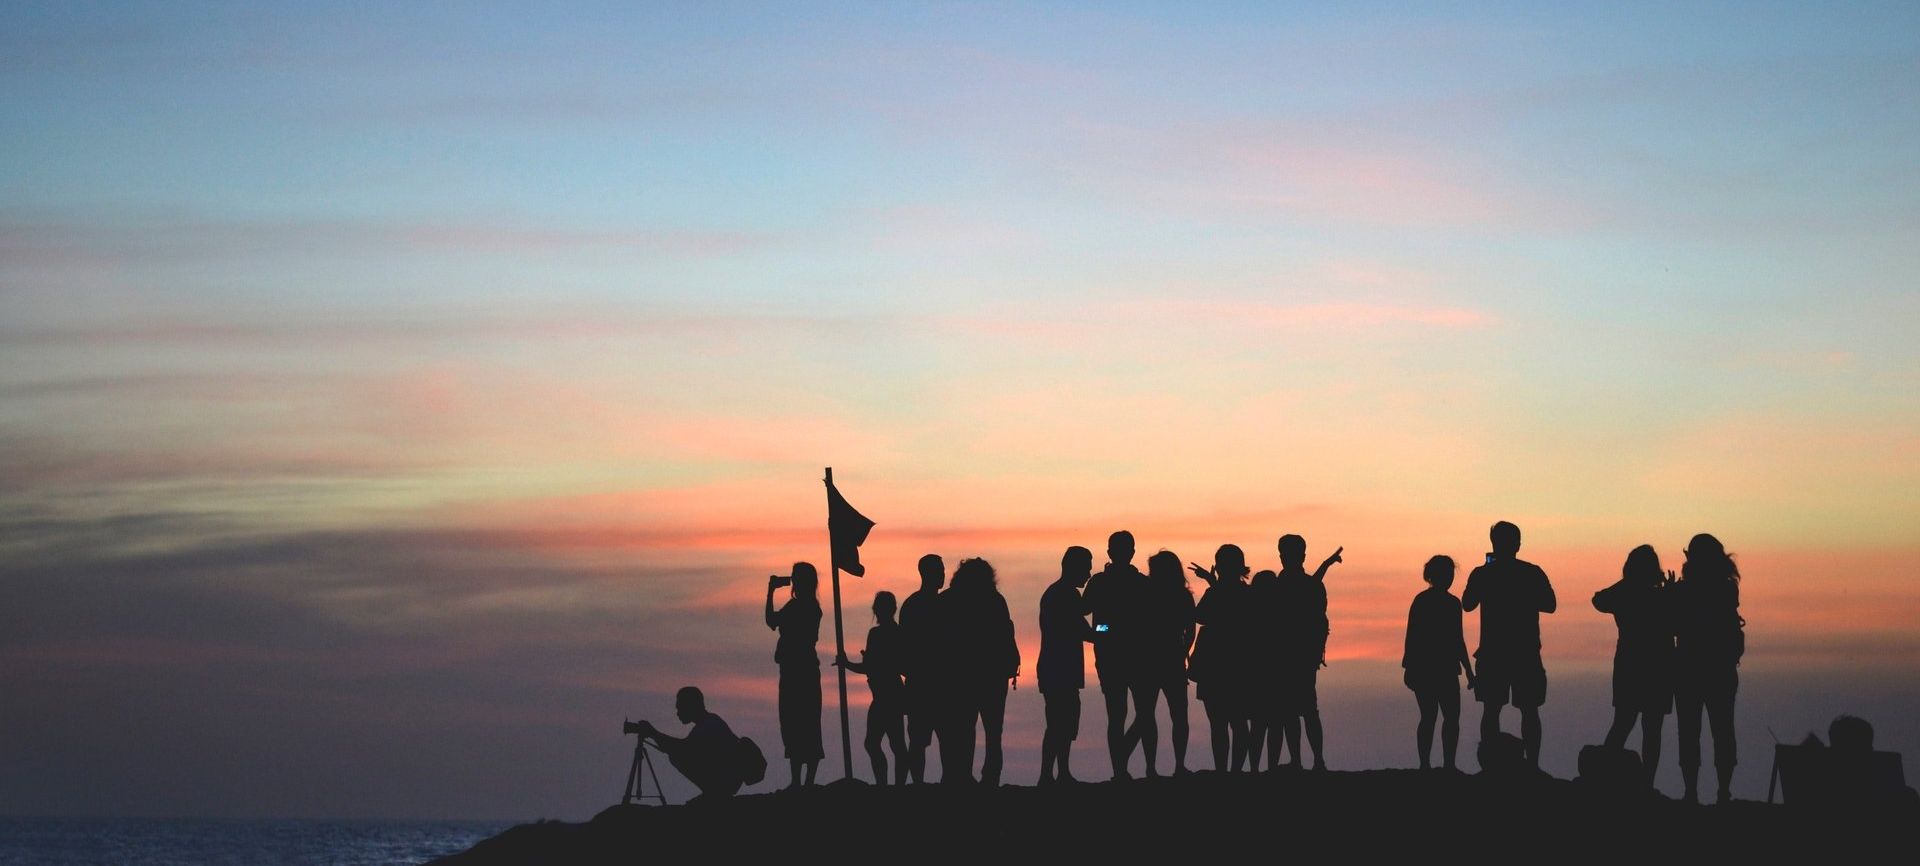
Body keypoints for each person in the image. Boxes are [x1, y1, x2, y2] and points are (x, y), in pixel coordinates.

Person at [1462, 520, 1557, 770]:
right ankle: (1533, 766)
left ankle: (1490, 766)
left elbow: (1467, 603)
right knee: (1529, 710)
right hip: (1525, 652)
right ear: (1518, 545)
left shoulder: (1483, 573)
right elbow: (1550, 604)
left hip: (1494, 653)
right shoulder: (1532, 572)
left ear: (1494, 544)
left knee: (1491, 709)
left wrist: (1486, 575)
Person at [1591, 544, 1674, 788]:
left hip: (1630, 664)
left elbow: (1599, 599)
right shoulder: (1661, 596)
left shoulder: (1625, 594)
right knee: (1651, 728)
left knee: (1624, 722)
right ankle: (1646, 783)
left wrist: (1628, 583)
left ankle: (1605, 777)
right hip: (1658, 666)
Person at [1672, 532, 1743, 804]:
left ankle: (1691, 793)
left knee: (1689, 732)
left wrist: (1672, 593)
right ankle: (1723, 793)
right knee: (1723, 730)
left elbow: (1675, 624)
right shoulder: (1727, 588)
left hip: (1689, 668)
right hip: (1720, 669)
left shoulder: (1685, 590)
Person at [941, 556, 1020, 786]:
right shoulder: (995, 600)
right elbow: (1007, 634)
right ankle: (989, 776)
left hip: (963, 675)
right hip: (990, 675)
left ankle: (966, 775)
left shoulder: (949, 600)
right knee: (993, 731)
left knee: (965, 729)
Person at [1270, 534, 1342, 770]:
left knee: (1299, 710)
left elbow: (1318, 620)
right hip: (1296, 657)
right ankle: (1308, 760)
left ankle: (1307, 761)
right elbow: (1319, 619)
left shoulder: (1281, 586)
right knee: (1302, 710)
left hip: (1291, 657)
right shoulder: (1306, 585)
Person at [1123, 549, 1196, 776]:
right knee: (1170, 717)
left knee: (1148, 717)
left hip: (1150, 662)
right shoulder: (1181, 596)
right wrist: (1182, 653)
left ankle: (1149, 766)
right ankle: (1170, 766)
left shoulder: (1144, 593)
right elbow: (1190, 632)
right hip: (1162, 661)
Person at [1402, 555, 1476, 771]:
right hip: (1431, 669)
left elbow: (1457, 638)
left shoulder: (1448, 603)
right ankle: (1433, 764)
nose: (1450, 578)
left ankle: (1445, 765)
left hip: (1440, 669)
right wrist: (1409, 668)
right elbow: (1414, 637)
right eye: (1447, 573)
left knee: (1443, 718)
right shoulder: (1430, 602)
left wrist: (1469, 671)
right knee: (1435, 718)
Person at [1084, 530, 1147, 779]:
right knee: (1118, 714)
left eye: (1125, 549)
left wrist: (1108, 628)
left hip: (1136, 656)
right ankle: (1120, 770)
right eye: (1119, 549)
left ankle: (1120, 760)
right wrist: (1108, 629)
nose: (1122, 554)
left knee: (1141, 714)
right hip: (1112, 656)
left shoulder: (1142, 583)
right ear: (1111, 552)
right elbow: (1087, 616)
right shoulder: (1099, 582)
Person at [1190, 544, 1254, 773]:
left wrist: (1211, 583)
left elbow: (1201, 616)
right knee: (1236, 722)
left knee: (1221, 723)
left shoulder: (1220, 592)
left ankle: (1224, 771)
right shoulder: (1248, 594)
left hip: (1217, 664)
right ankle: (1233, 770)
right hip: (1236, 665)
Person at [835, 591, 907, 786]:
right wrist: (849, 663)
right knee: (884, 744)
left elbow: (874, 666)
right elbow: (871, 666)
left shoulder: (882, 634)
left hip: (888, 694)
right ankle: (887, 784)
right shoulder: (887, 633)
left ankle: (889, 785)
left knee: (889, 744)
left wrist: (849, 663)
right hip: (886, 693)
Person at [1038, 545, 1095, 784]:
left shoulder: (1056, 592)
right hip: (1060, 669)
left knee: (1061, 723)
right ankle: (1052, 775)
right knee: (1060, 723)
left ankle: (1058, 773)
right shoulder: (1066, 594)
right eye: (1086, 569)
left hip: (1055, 668)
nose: (1088, 574)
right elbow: (1087, 630)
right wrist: (1111, 627)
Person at [627, 686, 744, 803]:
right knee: (676, 754)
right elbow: (685, 747)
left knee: (676, 756)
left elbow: (685, 749)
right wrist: (655, 734)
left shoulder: (708, 724)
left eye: (680, 708)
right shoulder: (708, 722)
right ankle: (712, 792)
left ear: (691, 706)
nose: (678, 713)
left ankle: (714, 793)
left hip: (727, 778)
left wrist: (654, 733)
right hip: (727, 775)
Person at [765, 562, 824, 789]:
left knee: (805, 723)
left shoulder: (807, 607)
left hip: (802, 671)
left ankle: (805, 781)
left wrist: (770, 591)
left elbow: (772, 621)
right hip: (792, 671)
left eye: (796, 577)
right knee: (792, 724)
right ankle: (798, 781)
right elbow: (772, 620)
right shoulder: (797, 605)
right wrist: (770, 592)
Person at [899, 553, 947, 783]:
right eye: (939, 570)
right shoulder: (924, 605)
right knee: (920, 740)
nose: (942, 575)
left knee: (942, 737)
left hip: (931, 681)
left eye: (943, 570)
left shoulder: (913, 604)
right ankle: (918, 782)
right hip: (925, 682)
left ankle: (936, 780)